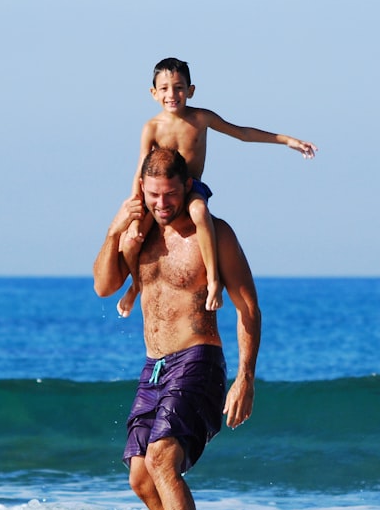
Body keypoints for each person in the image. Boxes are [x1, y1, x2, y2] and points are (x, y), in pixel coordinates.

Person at [94, 148, 262, 510]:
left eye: (169, 195)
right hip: (154, 366)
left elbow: (248, 306)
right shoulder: (140, 234)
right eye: (152, 196)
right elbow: (104, 285)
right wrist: (114, 231)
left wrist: (245, 376)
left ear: (187, 187)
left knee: (163, 459)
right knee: (141, 477)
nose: (161, 205)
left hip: (199, 357)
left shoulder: (213, 235)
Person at [115, 57, 316, 318]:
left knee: (199, 213)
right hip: (161, 193)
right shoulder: (151, 127)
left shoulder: (201, 117)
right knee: (130, 241)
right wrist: (135, 206)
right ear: (154, 93)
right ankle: (136, 285)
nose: (171, 94)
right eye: (164, 88)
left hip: (191, 188)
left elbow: (242, 133)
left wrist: (286, 140)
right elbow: (141, 166)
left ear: (191, 90)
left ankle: (213, 281)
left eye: (178, 87)